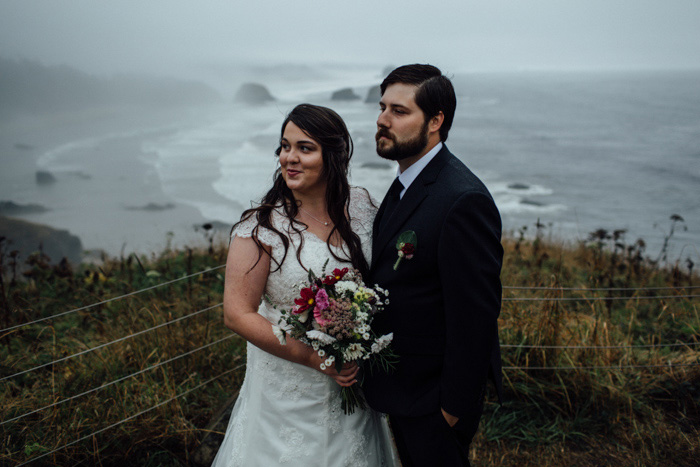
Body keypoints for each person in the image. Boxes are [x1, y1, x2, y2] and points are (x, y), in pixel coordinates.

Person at [212, 104, 398, 466]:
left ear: (333, 156)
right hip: (285, 396)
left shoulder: (363, 208)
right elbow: (237, 314)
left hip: (352, 386)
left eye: (304, 148)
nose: (289, 158)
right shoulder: (260, 229)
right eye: (284, 146)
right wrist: (314, 358)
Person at [362, 64, 504, 466]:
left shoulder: (461, 200)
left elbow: (476, 314)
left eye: (399, 111)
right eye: (382, 107)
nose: (382, 120)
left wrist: (451, 408)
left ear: (436, 121)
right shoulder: (409, 179)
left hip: (433, 399)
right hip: (404, 389)